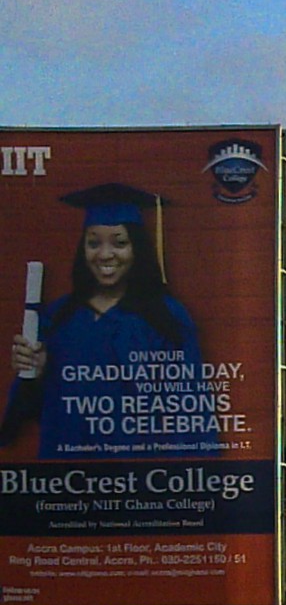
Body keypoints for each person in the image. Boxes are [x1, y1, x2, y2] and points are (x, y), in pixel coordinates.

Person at [3, 183, 216, 458]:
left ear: (137, 248)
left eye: (120, 242)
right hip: (68, 478)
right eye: (93, 243)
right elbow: (22, 419)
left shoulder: (168, 316)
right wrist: (34, 373)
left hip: (142, 476)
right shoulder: (57, 317)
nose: (104, 254)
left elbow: (192, 408)